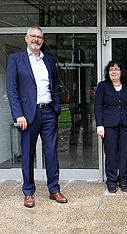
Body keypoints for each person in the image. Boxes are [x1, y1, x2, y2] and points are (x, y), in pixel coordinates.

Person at [6, 26, 67, 208]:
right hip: (28, 115)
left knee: (51, 152)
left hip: (48, 113)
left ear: (43, 40)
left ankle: (54, 189)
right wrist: (18, 114)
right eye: (33, 36)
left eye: (39, 37)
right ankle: (28, 192)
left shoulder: (49, 60)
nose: (36, 39)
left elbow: (55, 86)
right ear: (26, 38)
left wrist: (56, 107)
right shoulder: (16, 59)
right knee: (28, 154)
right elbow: (12, 89)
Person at [94, 60, 127, 193]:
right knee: (111, 154)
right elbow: (98, 106)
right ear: (108, 73)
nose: (113, 72)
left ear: (121, 72)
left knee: (125, 153)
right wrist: (99, 125)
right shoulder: (103, 86)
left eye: (116, 69)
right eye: (111, 70)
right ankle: (111, 181)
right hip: (108, 125)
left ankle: (123, 180)